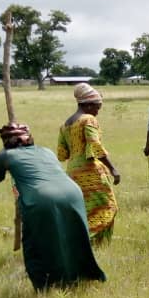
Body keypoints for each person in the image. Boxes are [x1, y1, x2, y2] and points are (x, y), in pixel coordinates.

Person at [0, 123, 106, 291]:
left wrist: (4, 157)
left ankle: (45, 286)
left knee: (35, 245)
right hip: (72, 193)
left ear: (6, 142)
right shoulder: (46, 151)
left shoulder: (7, 155)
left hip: (41, 199)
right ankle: (80, 277)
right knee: (74, 236)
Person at [57, 83, 120, 243]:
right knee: (108, 207)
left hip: (72, 174)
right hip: (91, 172)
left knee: (84, 209)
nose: (98, 111)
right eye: (97, 107)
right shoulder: (88, 119)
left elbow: (62, 153)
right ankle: (91, 241)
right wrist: (112, 169)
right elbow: (95, 145)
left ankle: (85, 243)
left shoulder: (65, 125)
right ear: (88, 104)